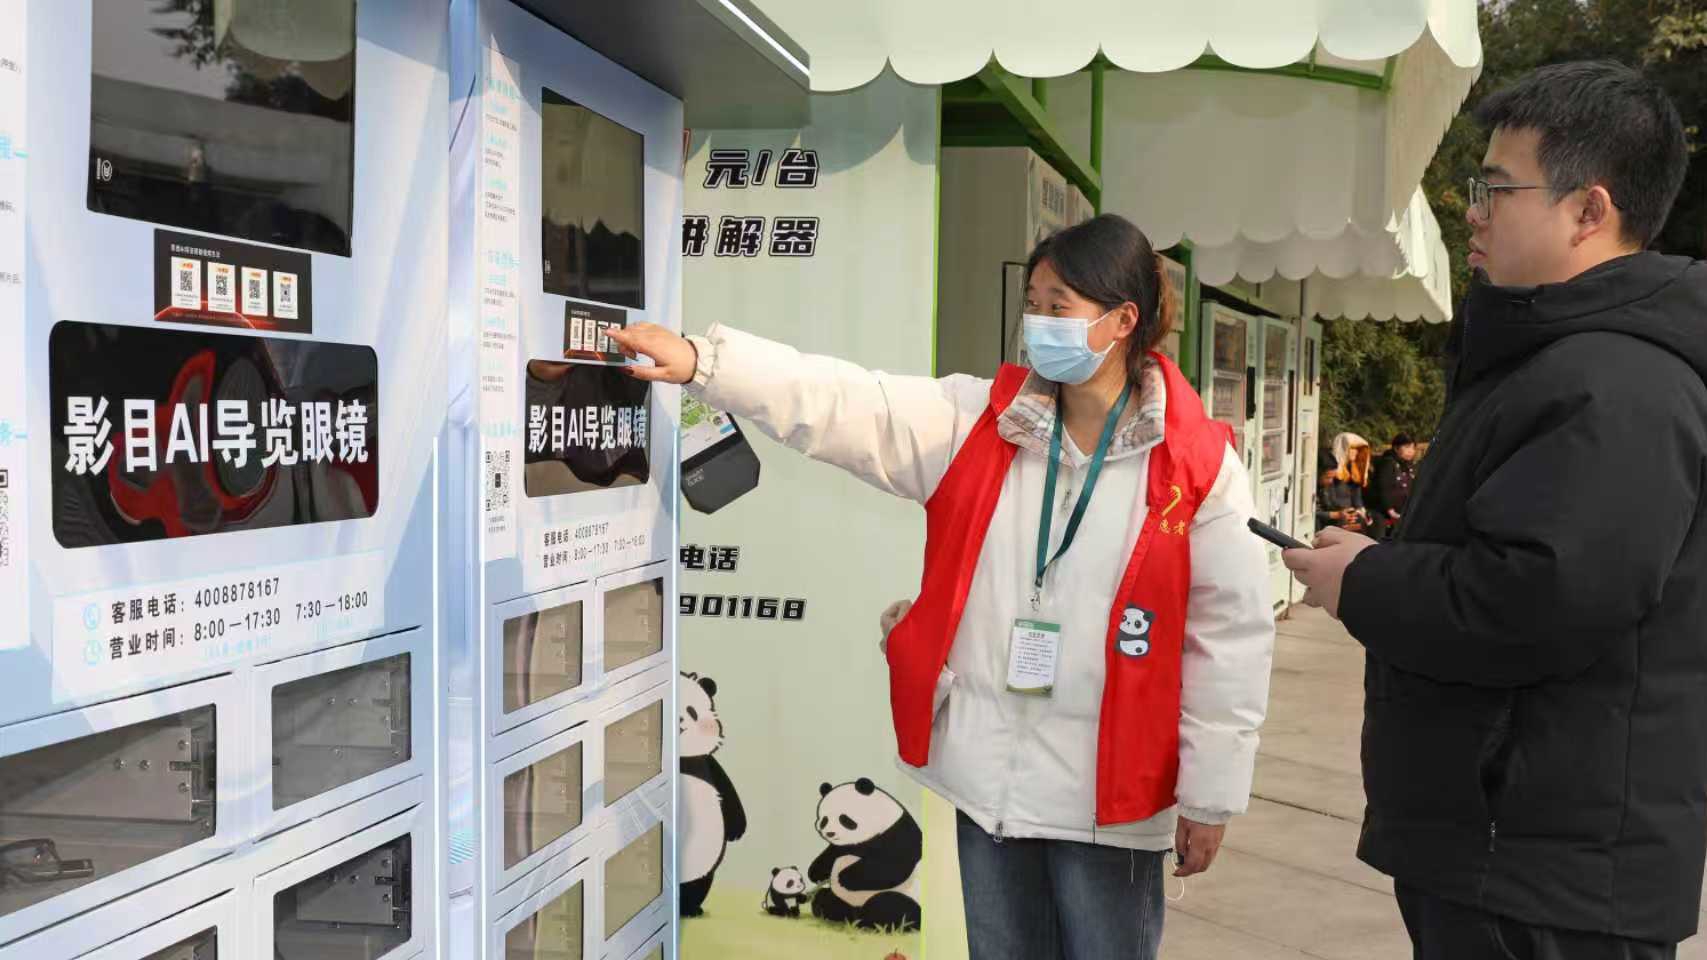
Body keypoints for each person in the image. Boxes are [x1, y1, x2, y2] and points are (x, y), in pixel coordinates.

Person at [610, 214, 1275, 960]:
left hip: (1110, 798)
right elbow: (846, 402)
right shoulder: (980, 422)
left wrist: (1211, 795)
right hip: (991, 787)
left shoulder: (1195, 467)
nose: (1037, 323)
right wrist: (706, 363)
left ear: (1122, 321)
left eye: (1059, 307)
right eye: (1033, 303)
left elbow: (1230, 640)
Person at [1283, 61, 1705, 960]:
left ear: (1587, 211)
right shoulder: (1555, 360)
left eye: (1495, 190)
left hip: (1545, 872)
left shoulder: (1617, 381)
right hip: (1508, 848)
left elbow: (1537, 601)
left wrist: (1363, 580)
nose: (1471, 212)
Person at [1366, 433, 1417, 539]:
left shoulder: (1408, 466)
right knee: (1380, 542)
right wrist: (1390, 510)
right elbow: (1383, 487)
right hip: (1383, 512)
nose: (1411, 451)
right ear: (1396, 448)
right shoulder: (1388, 463)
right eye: (1407, 447)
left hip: (1401, 512)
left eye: (1413, 448)